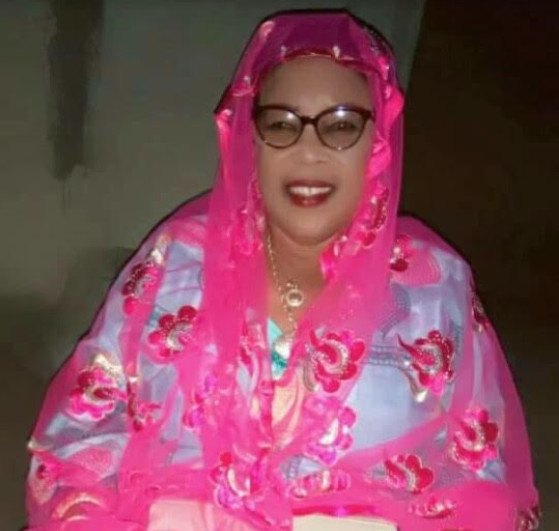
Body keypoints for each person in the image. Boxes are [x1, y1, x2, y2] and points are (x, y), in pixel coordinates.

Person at [25, 10, 540, 531]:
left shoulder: (434, 287)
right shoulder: (176, 261)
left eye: (341, 125)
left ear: (379, 142)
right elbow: (84, 427)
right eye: (281, 124)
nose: (308, 150)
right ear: (250, 140)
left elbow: (479, 473)